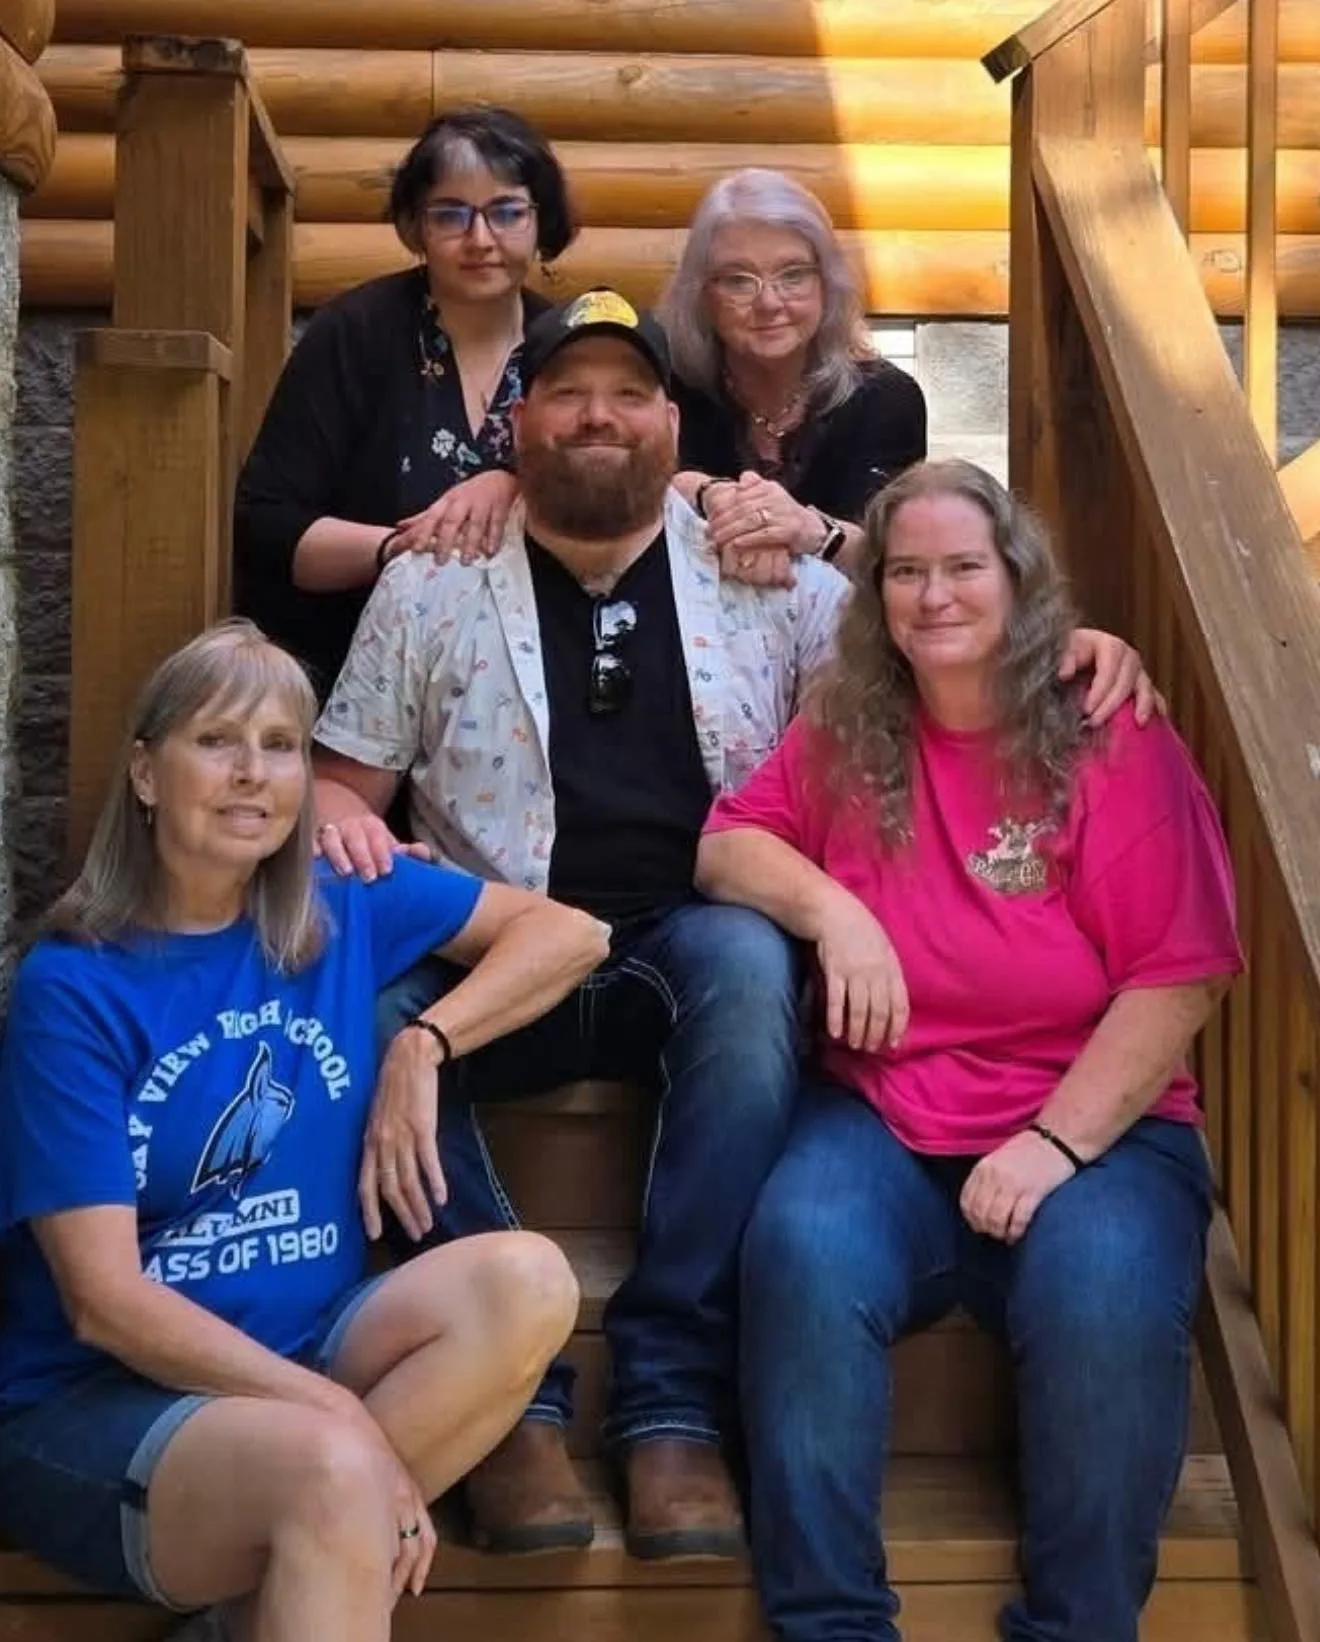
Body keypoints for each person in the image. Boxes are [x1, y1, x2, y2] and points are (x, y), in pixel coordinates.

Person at [310, 292, 1153, 1561]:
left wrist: (1066, 637)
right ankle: (508, 1403)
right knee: (367, 1010)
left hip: (685, 933)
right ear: (518, 422)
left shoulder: (767, 576)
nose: (600, 414)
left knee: (753, 971)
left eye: (630, 393)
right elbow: (341, 789)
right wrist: (349, 833)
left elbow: (940, 650)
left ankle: (668, 1395)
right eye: (568, 391)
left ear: (671, 422)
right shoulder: (433, 585)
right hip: (491, 941)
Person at [696, 459, 1240, 1642]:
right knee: (800, 1243)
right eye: (904, 571)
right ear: (874, 591)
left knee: (1099, 1300)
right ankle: (831, 1626)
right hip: (885, 1116)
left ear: (1017, 579)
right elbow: (728, 847)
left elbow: (1180, 972)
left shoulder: (1106, 728)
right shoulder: (848, 726)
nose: (933, 596)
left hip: (1099, 1129)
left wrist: (1054, 1142)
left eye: (962, 568)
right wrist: (839, 914)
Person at [0, 620, 609, 1642]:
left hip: (296, 1356)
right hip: (94, 1405)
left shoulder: (338, 906)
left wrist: (425, 1043)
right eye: (216, 742)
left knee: (529, 1281)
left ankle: (260, 1606)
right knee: (331, 1477)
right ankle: (318, 1533)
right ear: (146, 773)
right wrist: (346, 1427)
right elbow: (104, 1304)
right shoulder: (75, 988)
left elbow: (572, 934)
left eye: (281, 746)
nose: (252, 774)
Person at [233, 107, 576, 699]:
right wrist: (399, 547)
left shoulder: (571, 347)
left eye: (506, 212)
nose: (480, 239)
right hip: (354, 675)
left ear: (540, 222)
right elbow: (266, 526)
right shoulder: (355, 333)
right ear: (415, 228)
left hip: (531, 688)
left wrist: (513, 483)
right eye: (450, 215)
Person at [661, 167, 928, 587]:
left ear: (827, 283)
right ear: (702, 294)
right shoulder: (666, 385)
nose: (769, 302)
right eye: (738, 281)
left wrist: (808, 530)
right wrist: (705, 491)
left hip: (846, 639)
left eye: (793, 275)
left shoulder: (885, 398)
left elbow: (897, 559)